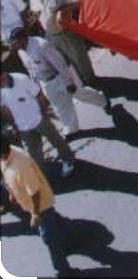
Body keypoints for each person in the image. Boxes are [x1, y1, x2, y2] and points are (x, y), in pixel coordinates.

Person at [9, 27, 109, 136]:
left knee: (79, 94)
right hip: (46, 82)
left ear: (23, 38)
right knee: (60, 106)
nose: (13, 45)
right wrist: (37, 87)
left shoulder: (41, 45)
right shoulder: (21, 52)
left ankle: (103, 100)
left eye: (15, 41)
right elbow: (31, 70)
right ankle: (72, 130)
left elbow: (60, 64)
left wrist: (69, 82)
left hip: (60, 76)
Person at [0, 137, 73, 277]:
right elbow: (6, 175)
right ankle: (69, 229)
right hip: (30, 204)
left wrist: (35, 214)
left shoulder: (21, 166)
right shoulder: (5, 158)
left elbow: (35, 192)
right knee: (54, 222)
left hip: (41, 205)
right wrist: (11, 192)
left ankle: (63, 270)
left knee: (49, 239)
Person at [0, 70, 76, 177]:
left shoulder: (21, 79)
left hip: (39, 119)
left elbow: (39, 94)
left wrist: (43, 114)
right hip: (23, 127)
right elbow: (3, 108)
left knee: (56, 140)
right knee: (32, 155)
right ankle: (41, 177)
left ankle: (68, 159)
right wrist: (14, 125)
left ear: (4, 74)